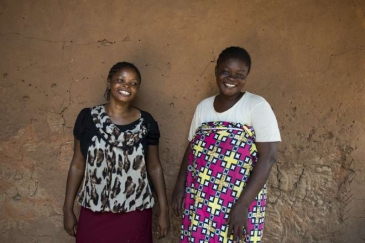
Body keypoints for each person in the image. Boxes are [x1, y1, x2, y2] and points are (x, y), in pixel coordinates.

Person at [172, 46, 281, 243]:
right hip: (201, 197)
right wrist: (180, 186)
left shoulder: (256, 106)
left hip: (238, 200)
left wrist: (243, 205)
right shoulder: (203, 107)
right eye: (226, 72)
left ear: (247, 76)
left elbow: (269, 156)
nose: (232, 79)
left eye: (239, 74)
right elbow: (192, 149)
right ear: (216, 71)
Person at [63, 62, 169, 243]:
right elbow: (77, 164)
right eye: (121, 80)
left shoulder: (146, 122)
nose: (127, 86)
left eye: (134, 83)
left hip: (135, 213)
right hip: (94, 211)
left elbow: (154, 166)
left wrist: (164, 211)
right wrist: (67, 209)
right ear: (109, 82)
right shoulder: (88, 118)